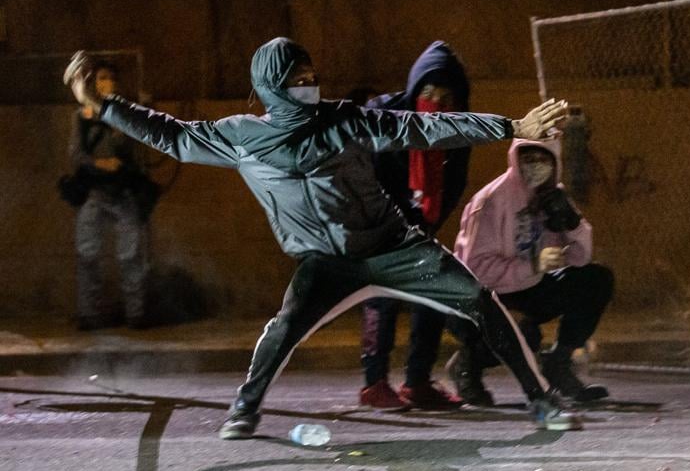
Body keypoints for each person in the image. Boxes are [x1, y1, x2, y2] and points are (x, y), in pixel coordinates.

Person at [64, 38, 580, 438]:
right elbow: (171, 135)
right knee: (286, 326)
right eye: (298, 80)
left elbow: (420, 129)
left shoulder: (345, 120)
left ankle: (540, 400)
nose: (309, 85)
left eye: (312, 77)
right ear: (272, 86)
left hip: (392, 246)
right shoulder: (241, 138)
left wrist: (511, 126)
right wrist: (105, 105)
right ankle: (244, 408)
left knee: (478, 300)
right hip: (325, 262)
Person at [452, 138, 613, 405]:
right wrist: (534, 265)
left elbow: (580, 258)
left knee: (595, 279)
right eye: (529, 159)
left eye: (543, 159)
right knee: (525, 335)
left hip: (528, 284)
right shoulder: (492, 200)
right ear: (516, 159)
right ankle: (468, 365)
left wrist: (573, 225)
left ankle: (558, 364)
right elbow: (475, 270)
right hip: (481, 297)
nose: (536, 166)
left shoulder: (551, 194)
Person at [358, 41, 473, 411]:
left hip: (419, 224)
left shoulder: (458, 131)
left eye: (445, 96)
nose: (435, 103)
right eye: (428, 93)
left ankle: (417, 381)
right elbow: (364, 176)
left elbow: (453, 184)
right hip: (375, 225)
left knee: (435, 287)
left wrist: (424, 227)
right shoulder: (384, 116)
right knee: (382, 294)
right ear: (414, 90)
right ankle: (374, 383)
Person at [66, 60, 153, 331]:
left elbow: (127, 145)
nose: (108, 84)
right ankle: (88, 314)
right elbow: (76, 154)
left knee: (130, 255)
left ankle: (136, 314)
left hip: (123, 192)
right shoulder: (81, 116)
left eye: (111, 79)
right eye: (103, 78)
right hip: (95, 192)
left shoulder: (123, 113)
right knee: (87, 254)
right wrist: (98, 163)